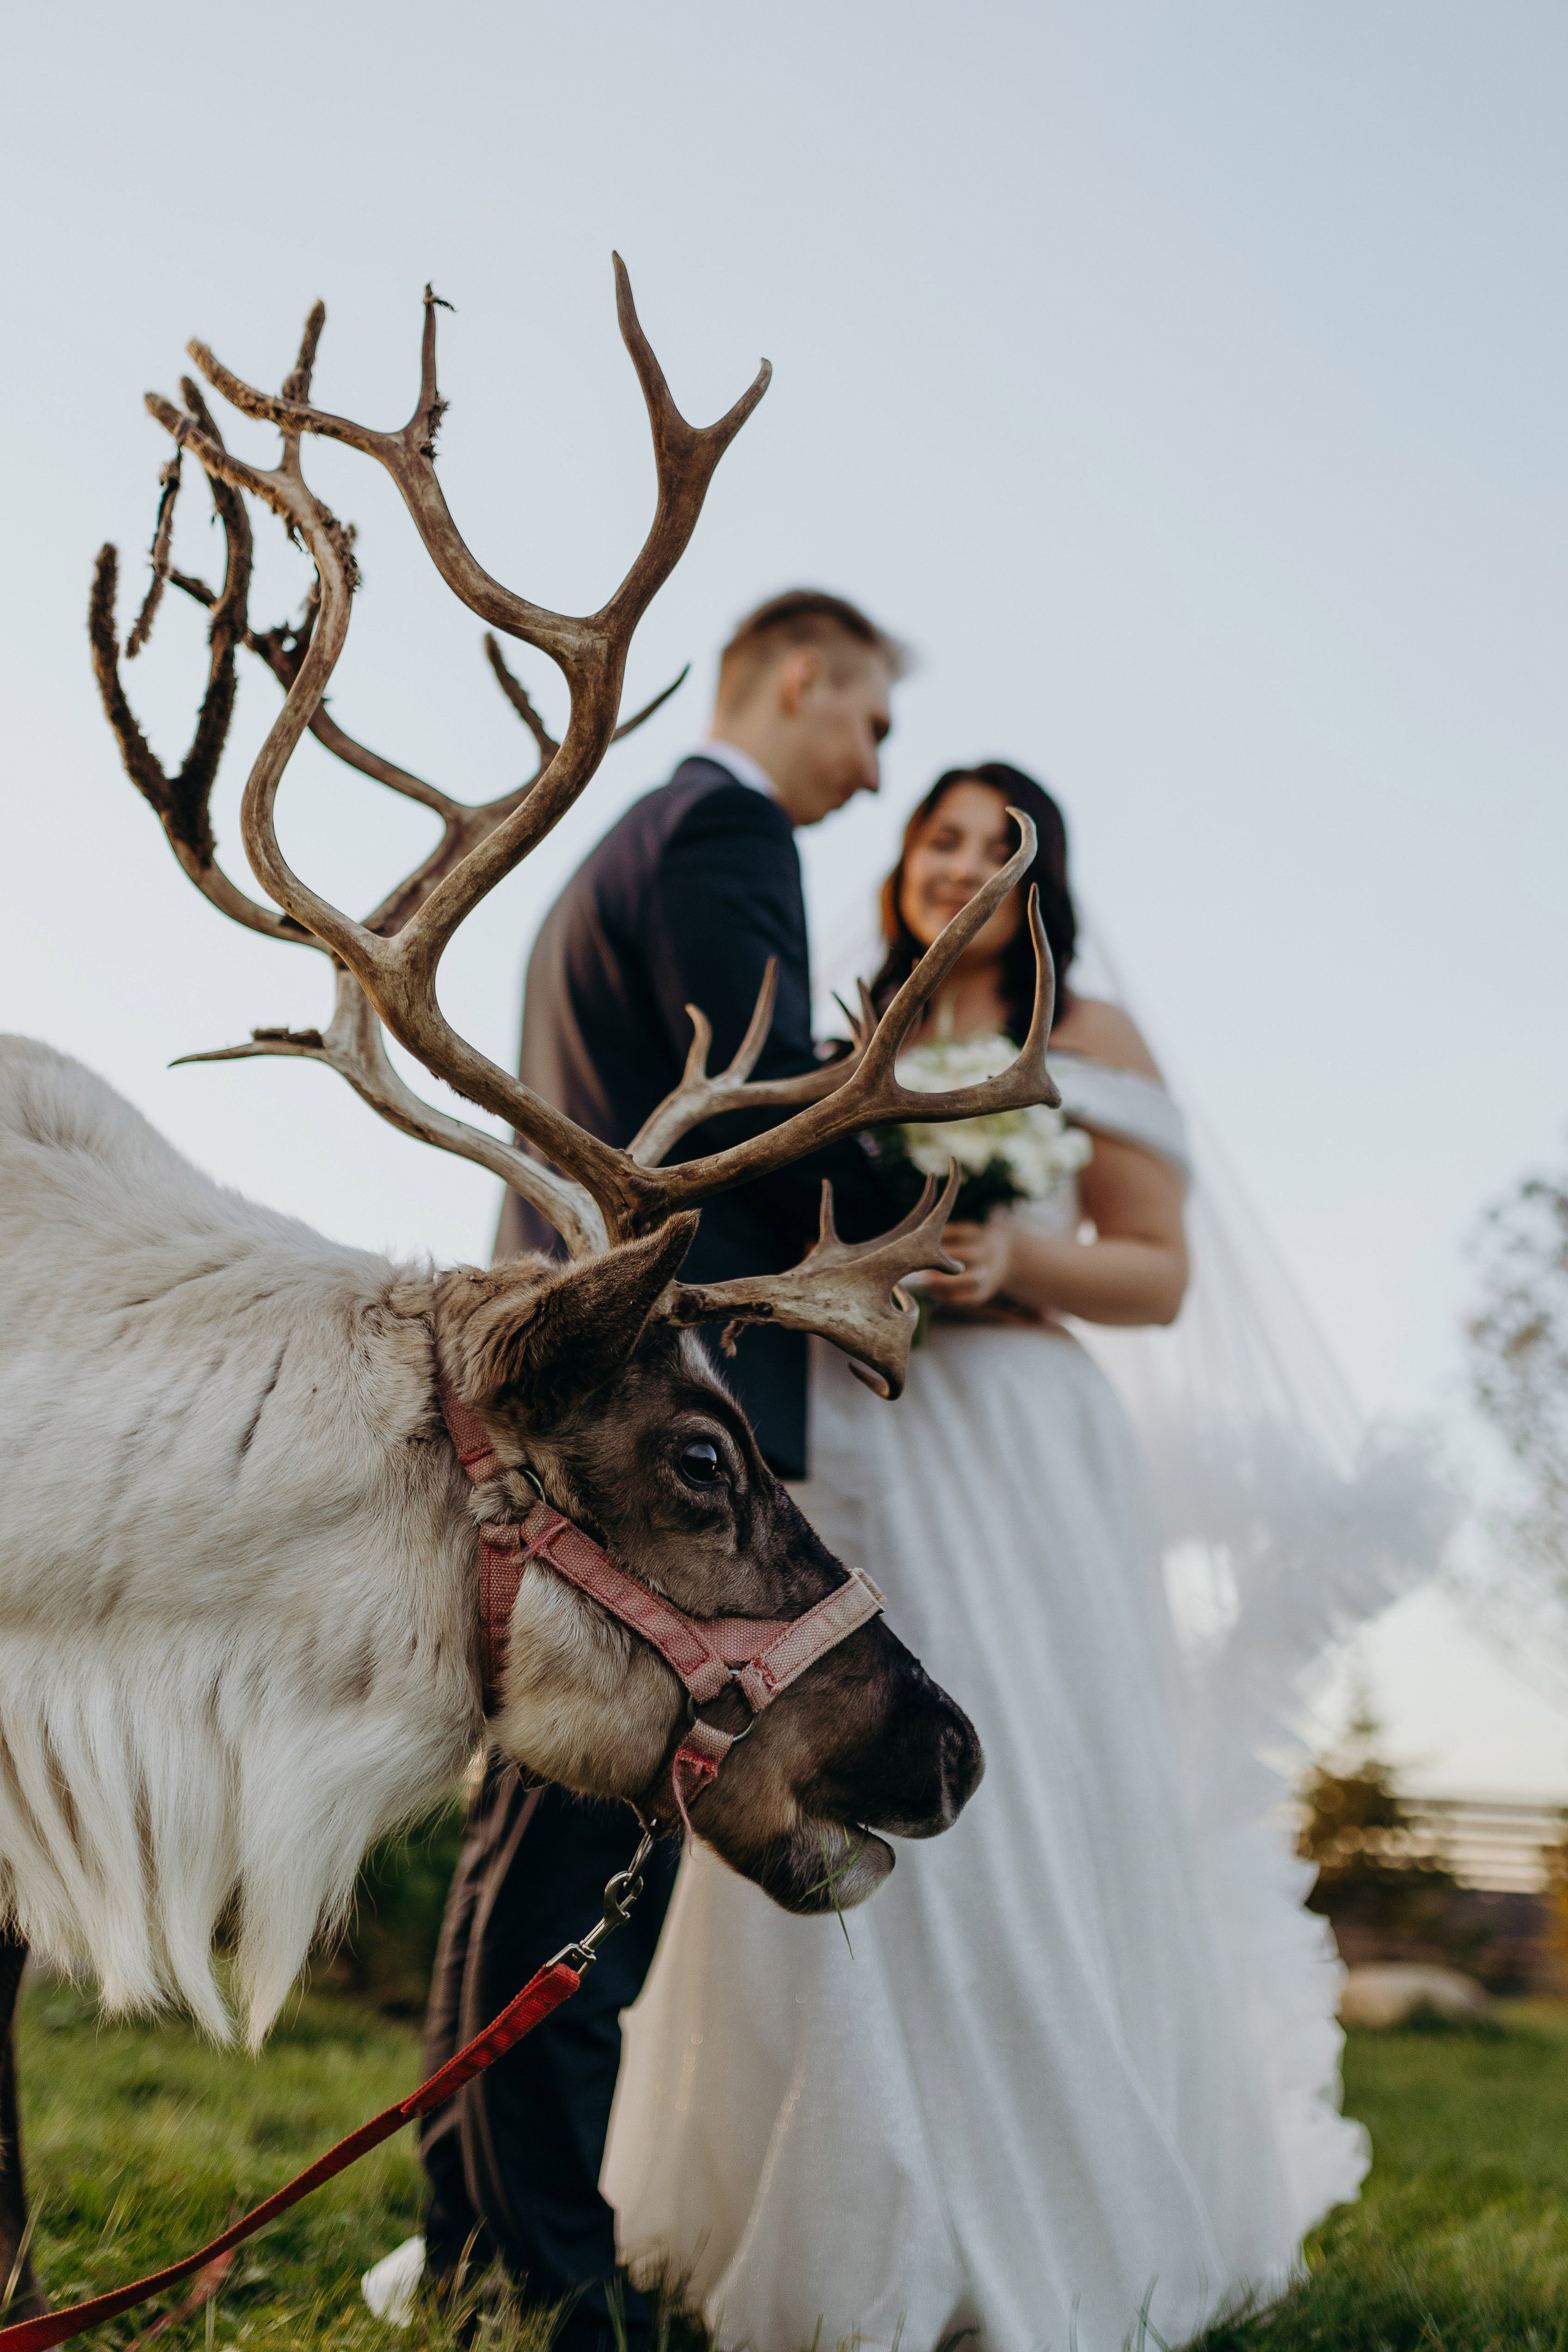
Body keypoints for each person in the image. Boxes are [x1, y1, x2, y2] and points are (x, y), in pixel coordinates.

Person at [603, 764, 1374, 2352]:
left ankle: (1046, 2203)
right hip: (862, 1430)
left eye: (991, 848)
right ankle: (790, 2195)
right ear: (900, 869)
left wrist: (1014, 1254)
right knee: (822, 1756)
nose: (957, 865)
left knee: (1018, 1787)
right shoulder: (846, 1044)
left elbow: (1156, 1272)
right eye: (935, 837)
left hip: (1017, 1437)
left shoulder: (1083, 1039)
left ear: (1035, 887)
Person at [407, 591, 907, 2352]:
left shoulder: (624, 846)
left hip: (589, 1405)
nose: (875, 764)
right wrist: (926, 1200)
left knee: (522, 1850)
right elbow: (773, 1121)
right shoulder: (720, 832)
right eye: (867, 717)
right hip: (661, 1433)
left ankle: (482, 2245)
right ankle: (545, 2279)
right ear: (796, 674)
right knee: (576, 1877)